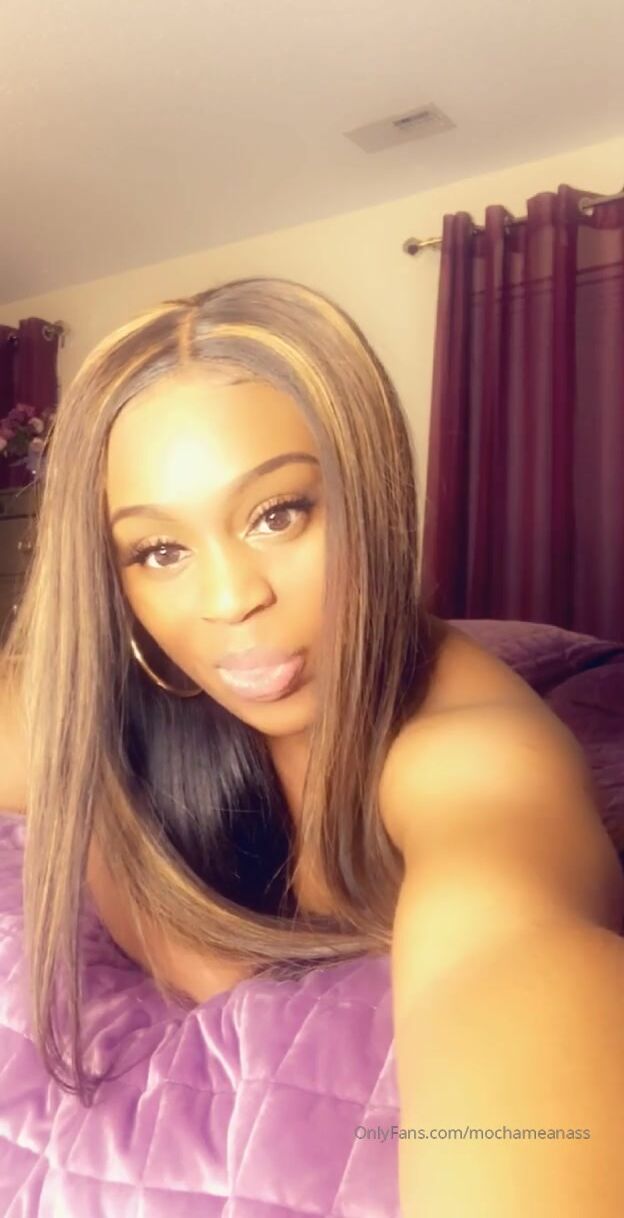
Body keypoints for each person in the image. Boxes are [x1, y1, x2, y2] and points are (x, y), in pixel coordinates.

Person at [1, 279, 622, 1215]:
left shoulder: (468, 753)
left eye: (278, 512)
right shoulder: (83, 695)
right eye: (159, 551)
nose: (230, 600)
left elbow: (510, 950)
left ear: (366, 493)